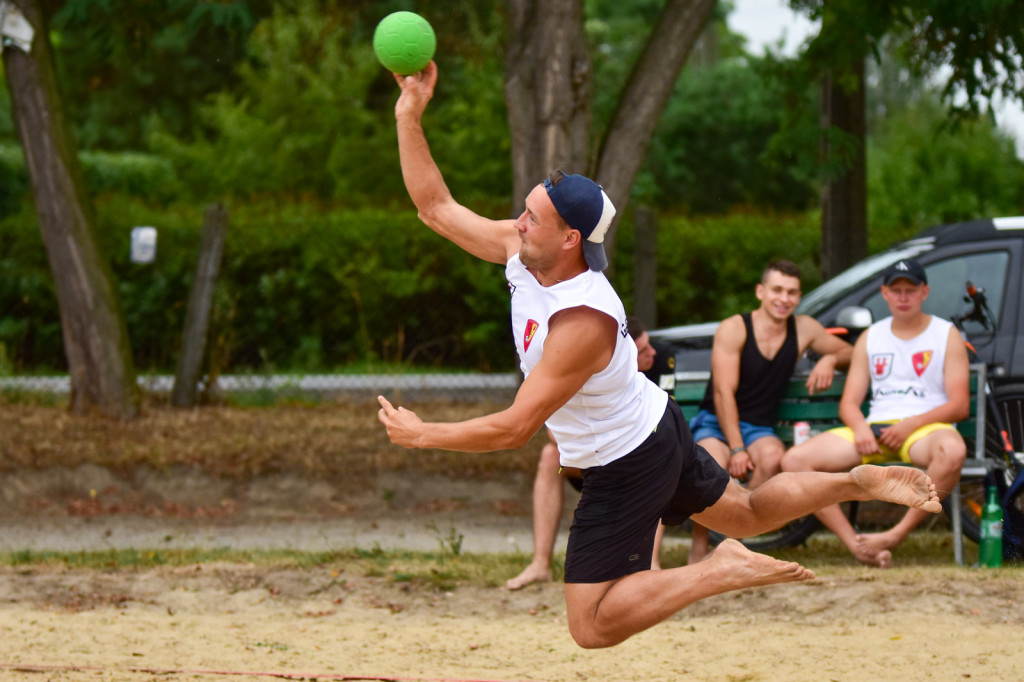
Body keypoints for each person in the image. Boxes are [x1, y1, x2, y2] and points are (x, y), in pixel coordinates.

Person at [376, 61, 941, 649]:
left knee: (591, 625)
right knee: (746, 513)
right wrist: (408, 114)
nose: (517, 223)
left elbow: (516, 427)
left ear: (570, 239)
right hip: (653, 425)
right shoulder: (527, 253)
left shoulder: (581, 322)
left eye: (531, 218)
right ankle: (854, 481)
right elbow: (435, 208)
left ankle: (714, 571)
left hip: (624, 459)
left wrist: (424, 434)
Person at [781, 258, 969, 567]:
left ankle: (895, 534)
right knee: (794, 460)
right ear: (884, 293)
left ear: (925, 292)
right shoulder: (872, 336)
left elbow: (959, 404)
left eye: (911, 290)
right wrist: (861, 429)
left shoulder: (945, 334)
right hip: (875, 429)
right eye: (896, 291)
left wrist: (910, 425)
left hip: (923, 430)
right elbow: (849, 403)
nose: (903, 297)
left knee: (953, 450)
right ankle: (857, 545)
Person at [685, 260, 853, 564]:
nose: (784, 298)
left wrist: (829, 360)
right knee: (711, 464)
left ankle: (731, 543)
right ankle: (699, 547)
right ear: (760, 292)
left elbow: (848, 351)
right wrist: (736, 448)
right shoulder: (734, 328)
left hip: (760, 426)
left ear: (799, 297)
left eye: (792, 292)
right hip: (716, 421)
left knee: (772, 458)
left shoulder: (804, 329)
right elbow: (723, 394)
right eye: (777, 290)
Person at [506, 316, 659, 590]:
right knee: (549, 457)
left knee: (654, 458)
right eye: (644, 350)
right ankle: (540, 563)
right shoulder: (594, 367)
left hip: (632, 459)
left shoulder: (655, 371)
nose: (653, 353)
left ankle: (651, 565)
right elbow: (552, 432)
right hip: (588, 458)